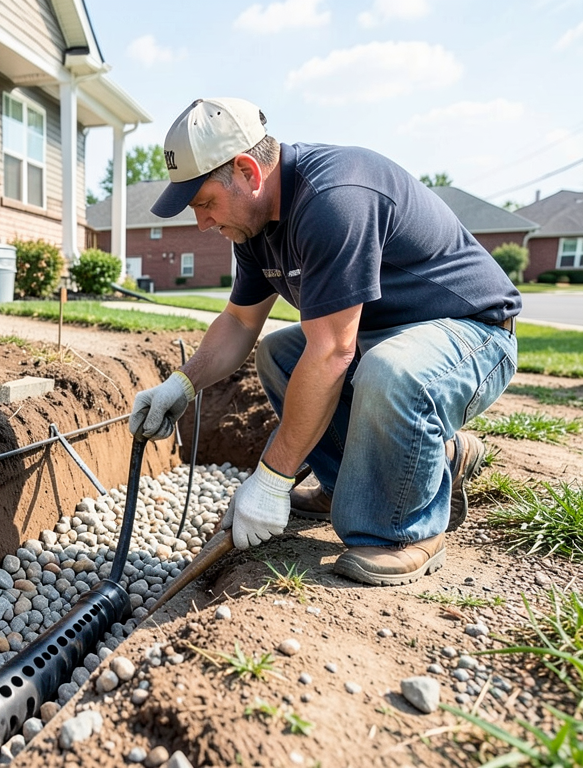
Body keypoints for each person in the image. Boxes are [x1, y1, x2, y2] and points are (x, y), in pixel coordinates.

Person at [129, 97, 520, 586]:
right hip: (389, 338)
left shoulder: (333, 198)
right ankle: (370, 477)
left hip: (474, 336)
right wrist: (180, 387)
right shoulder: (254, 229)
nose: (202, 223)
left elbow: (335, 352)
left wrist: (272, 478)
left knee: (387, 371)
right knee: (279, 354)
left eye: (205, 203)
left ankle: (403, 532)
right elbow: (239, 323)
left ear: (249, 172)